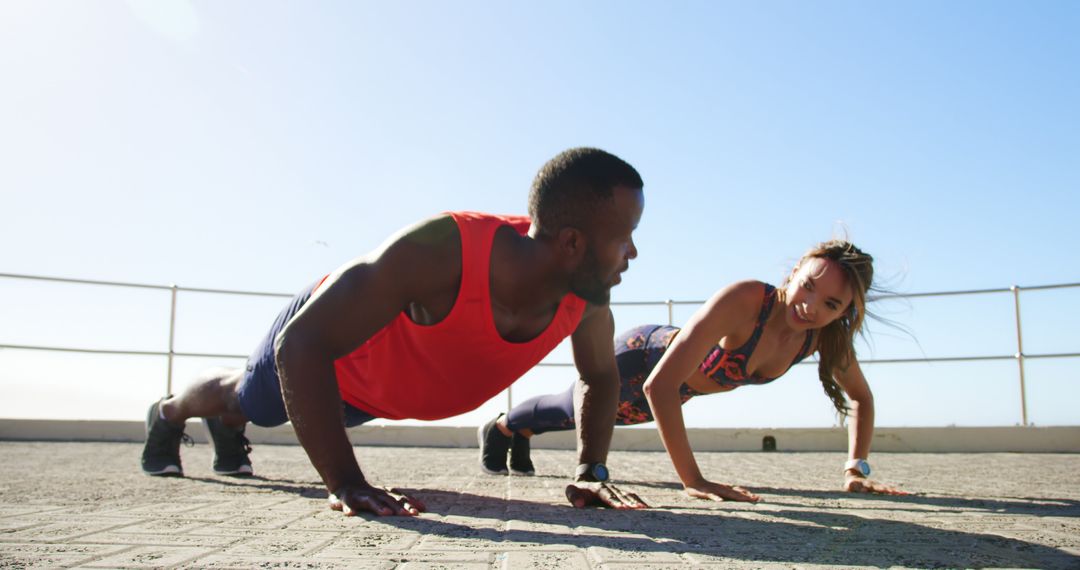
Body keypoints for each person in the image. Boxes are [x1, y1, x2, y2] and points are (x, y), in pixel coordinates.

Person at [140, 147, 649, 516]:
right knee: (246, 401)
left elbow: (599, 377)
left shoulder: (586, 300)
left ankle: (230, 427)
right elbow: (300, 344)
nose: (633, 254)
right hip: (320, 347)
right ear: (572, 243)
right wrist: (345, 482)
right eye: (626, 238)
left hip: (377, 393)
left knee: (252, 412)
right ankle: (168, 413)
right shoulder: (445, 249)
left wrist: (591, 471)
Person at [480, 240, 909, 502]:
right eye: (809, 286)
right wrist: (694, 480)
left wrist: (857, 468)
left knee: (571, 416)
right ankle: (502, 429)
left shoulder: (824, 339)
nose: (811, 306)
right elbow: (659, 384)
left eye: (831, 304)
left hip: (676, 391)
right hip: (643, 359)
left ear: (845, 311)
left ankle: (521, 435)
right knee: (570, 411)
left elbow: (861, 398)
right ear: (794, 272)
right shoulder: (746, 301)